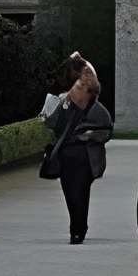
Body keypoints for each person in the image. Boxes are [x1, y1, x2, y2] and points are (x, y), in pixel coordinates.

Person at [45, 67, 114, 245]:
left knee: (80, 193)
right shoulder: (67, 107)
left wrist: (89, 136)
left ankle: (77, 230)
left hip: (85, 159)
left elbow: (106, 131)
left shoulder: (98, 111)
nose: (73, 91)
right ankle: (77, 226)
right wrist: (55, 104)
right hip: (65, 158)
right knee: (69, 193)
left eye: (77, 88)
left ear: (89, 93)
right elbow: (51, 125)